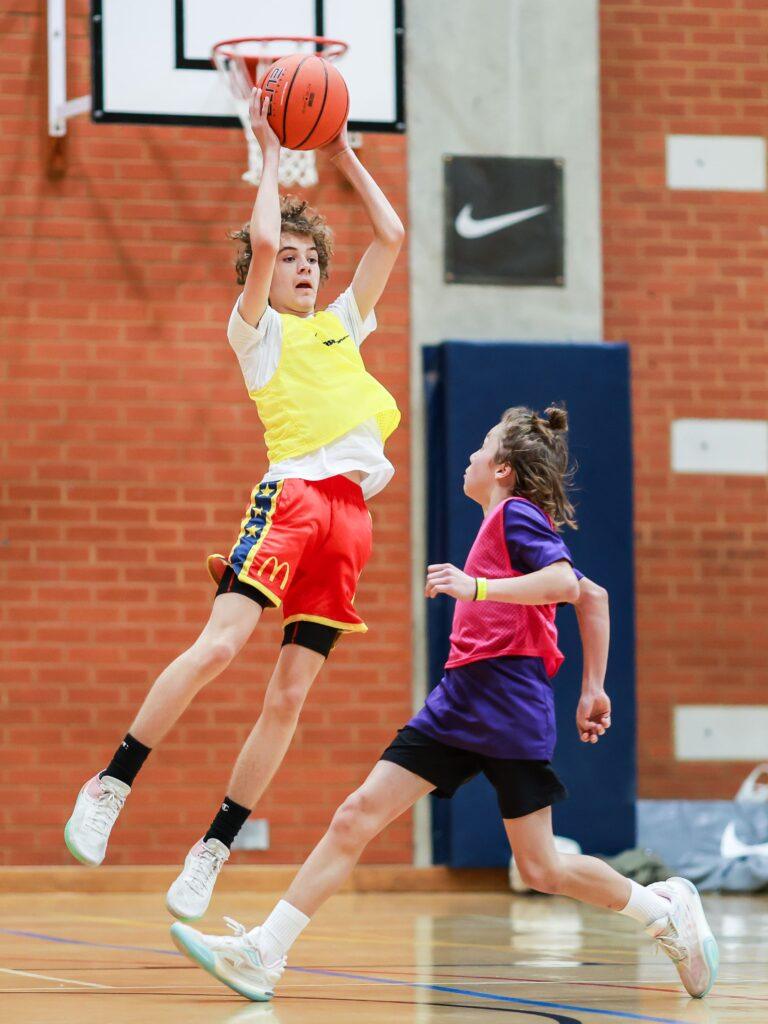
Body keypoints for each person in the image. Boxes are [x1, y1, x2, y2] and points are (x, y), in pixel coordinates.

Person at [170, 406, 719, 1001]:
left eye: (482, 447)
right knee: (356, 816)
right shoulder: (502, 523)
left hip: (508, 700)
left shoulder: (515, 514)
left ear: (502, 469)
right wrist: (593, 687)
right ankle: (264, 952)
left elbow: (568, 585)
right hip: (459, 698)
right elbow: (596, 597)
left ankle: (662, 911)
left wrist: (476, 587)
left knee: (541, 868)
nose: (471, 456)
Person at [63, 87, 405, 922]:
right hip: (292, 501)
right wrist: (270, 144)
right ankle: (110, 784)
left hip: (350, 523)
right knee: (219, 648)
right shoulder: (256, 332)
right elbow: (262, 241)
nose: (303, 265)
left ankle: (213, 850)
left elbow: (392, 236)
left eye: (311, 257)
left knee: (288, 698)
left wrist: (343, 155)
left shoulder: (343, 324)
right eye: (290, 258)